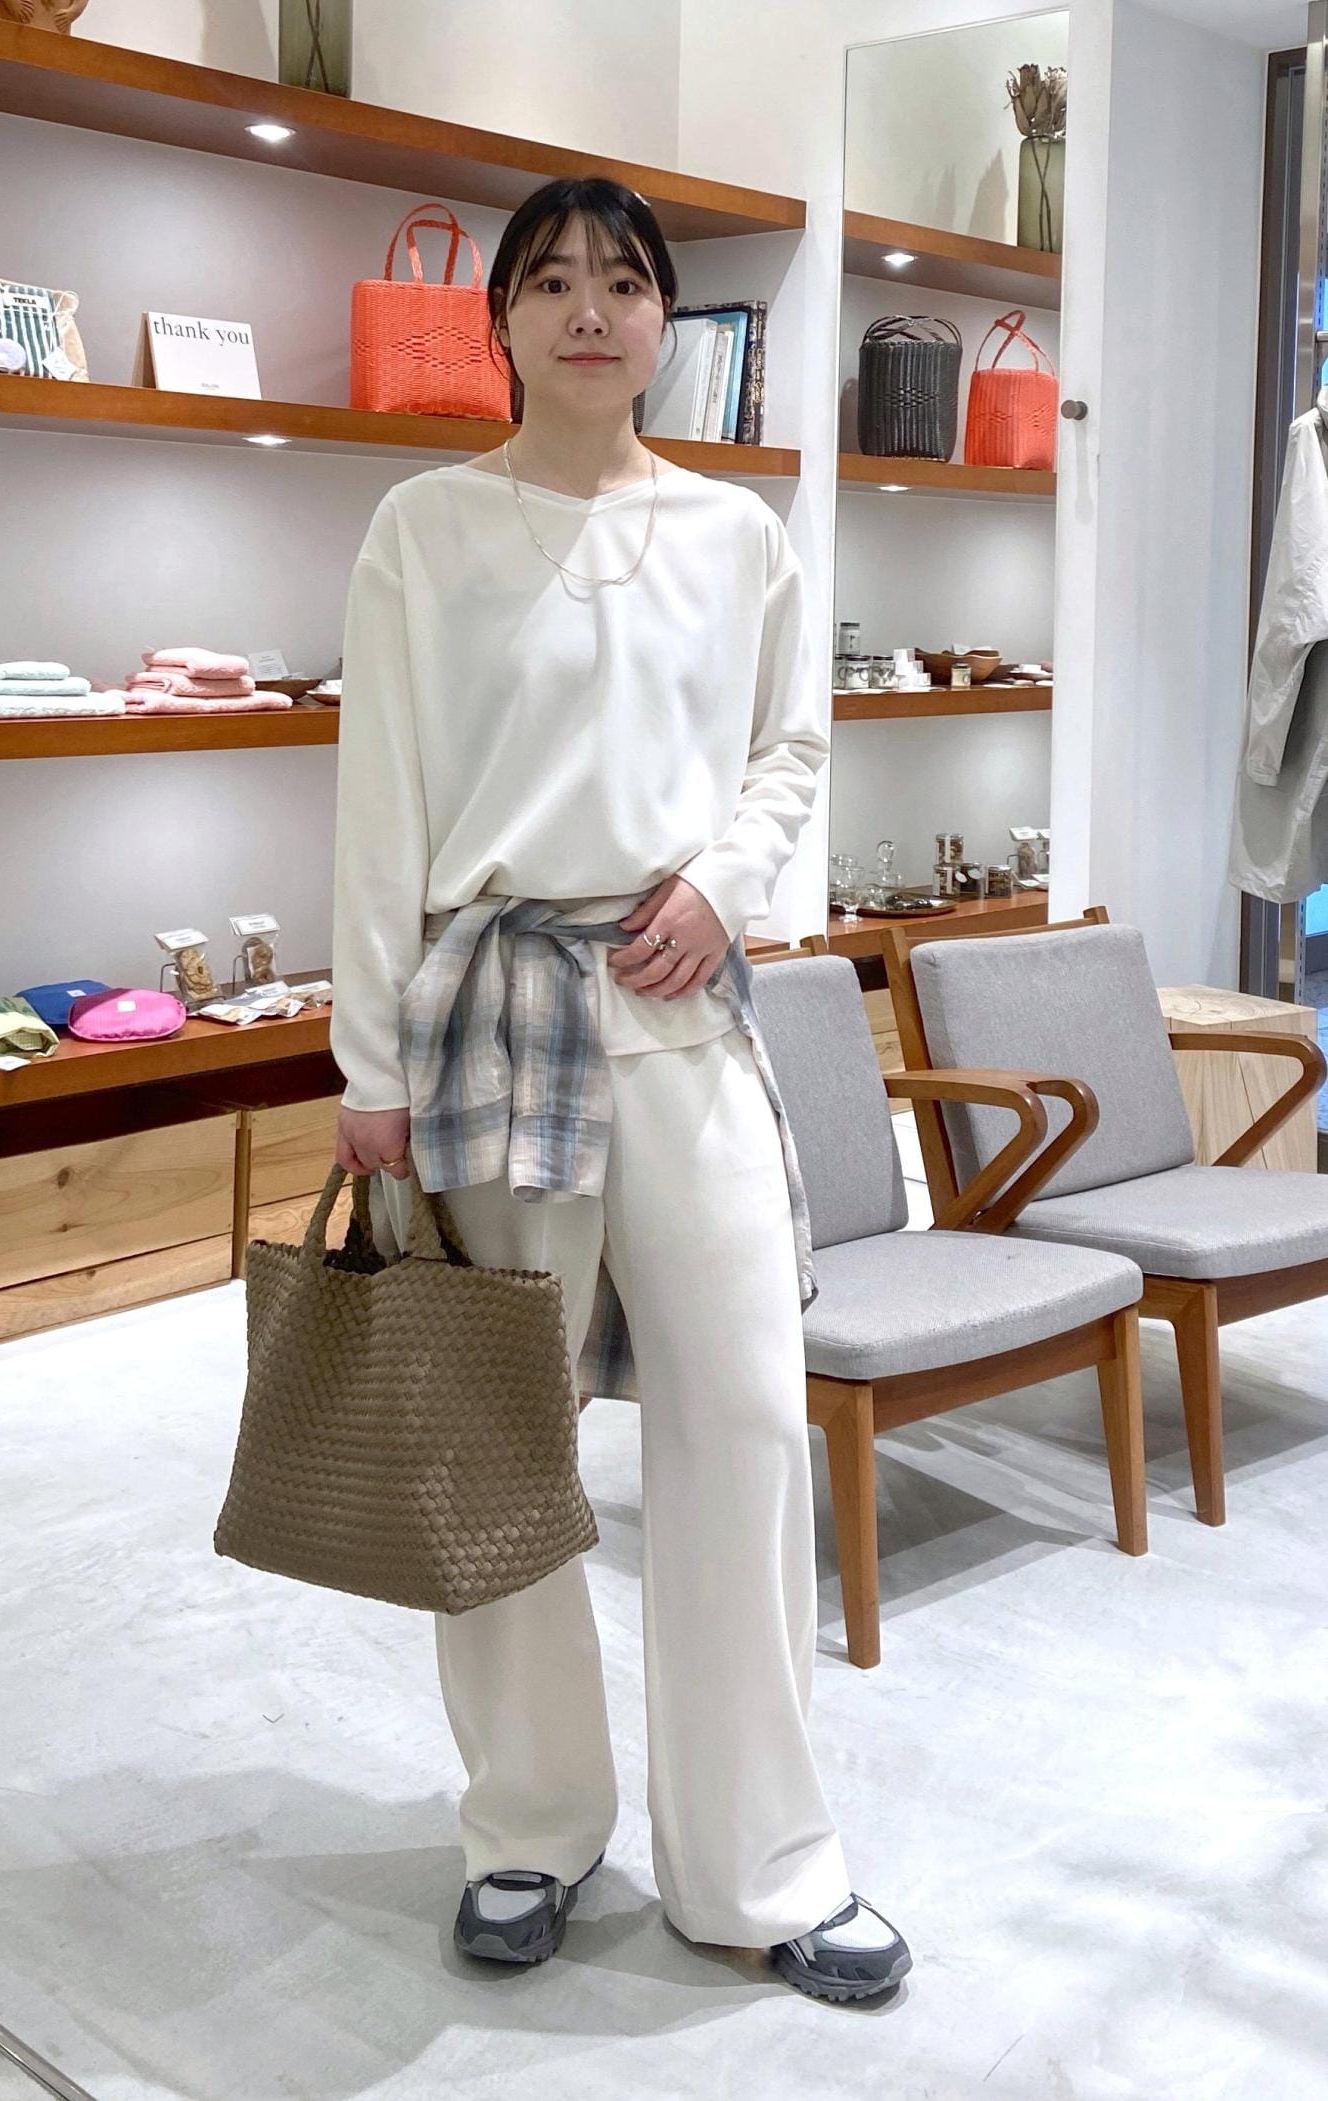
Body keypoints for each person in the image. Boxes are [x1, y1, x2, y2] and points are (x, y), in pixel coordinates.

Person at [328, 174, 911, 2005]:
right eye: (551, 280)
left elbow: (790, 745)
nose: (589, 309)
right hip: (492, 1017)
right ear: (500, 317)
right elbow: (377, 807)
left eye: (625, 281)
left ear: (669, 320)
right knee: (501, 1438)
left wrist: (726, 884)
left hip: (680, 1010)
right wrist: (367, 1066)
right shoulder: (423, 529)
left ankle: (761, 1862)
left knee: (742, 1421)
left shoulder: (738, 535)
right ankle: (529, 1825)